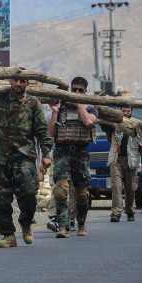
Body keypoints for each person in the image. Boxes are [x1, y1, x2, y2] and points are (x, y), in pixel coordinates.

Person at [0, 77, 51, 247]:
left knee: (28, 192)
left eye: (22, 81)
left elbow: (41, 130)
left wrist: (47, 153)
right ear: (10, 82)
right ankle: (8, 234)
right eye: (15, 80)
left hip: (24, 155)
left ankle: (26, 222)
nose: (18, 84)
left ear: (27, 83)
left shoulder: (33, 103)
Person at [48, 77, 98, 238]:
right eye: (74, 90)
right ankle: (63, 226)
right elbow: (51, 133)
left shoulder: (91, 107)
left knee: (82, 193)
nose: (76, 93)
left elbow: (89, 123)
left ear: (85, 92)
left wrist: (79, 104)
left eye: (80, 91)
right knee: (61, 191)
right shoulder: (61, 107)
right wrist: (55, 112)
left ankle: (81, 224)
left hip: (80, 153)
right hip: (62, 152)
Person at [108, 106, 142, 222]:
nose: (125, 113)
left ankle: (130, 211)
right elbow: (104, 127)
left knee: (130, 188)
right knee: (116, 187)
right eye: (123, 111)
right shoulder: (113, 124)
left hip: (131, 160)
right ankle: (116, 213)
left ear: (131, 112)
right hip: (116, 159)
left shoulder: (136, 125)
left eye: (128, 111)